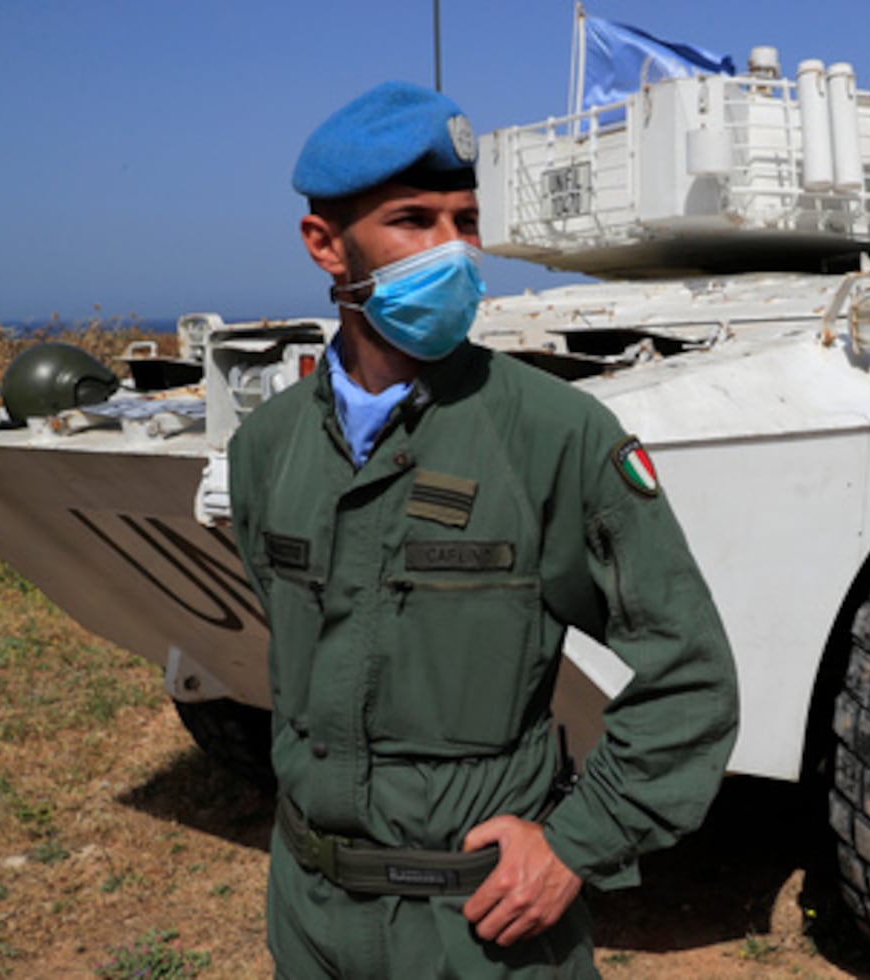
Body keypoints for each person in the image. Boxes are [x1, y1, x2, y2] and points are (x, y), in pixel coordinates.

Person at [230, 80, 738, 979]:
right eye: (413, 221)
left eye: (465, 221)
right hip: (308, 918)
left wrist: (578, 842)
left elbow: (691, 678)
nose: (455, 252)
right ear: (324, 244)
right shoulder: (268, 447)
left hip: (479, 931)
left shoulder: (554, 434)